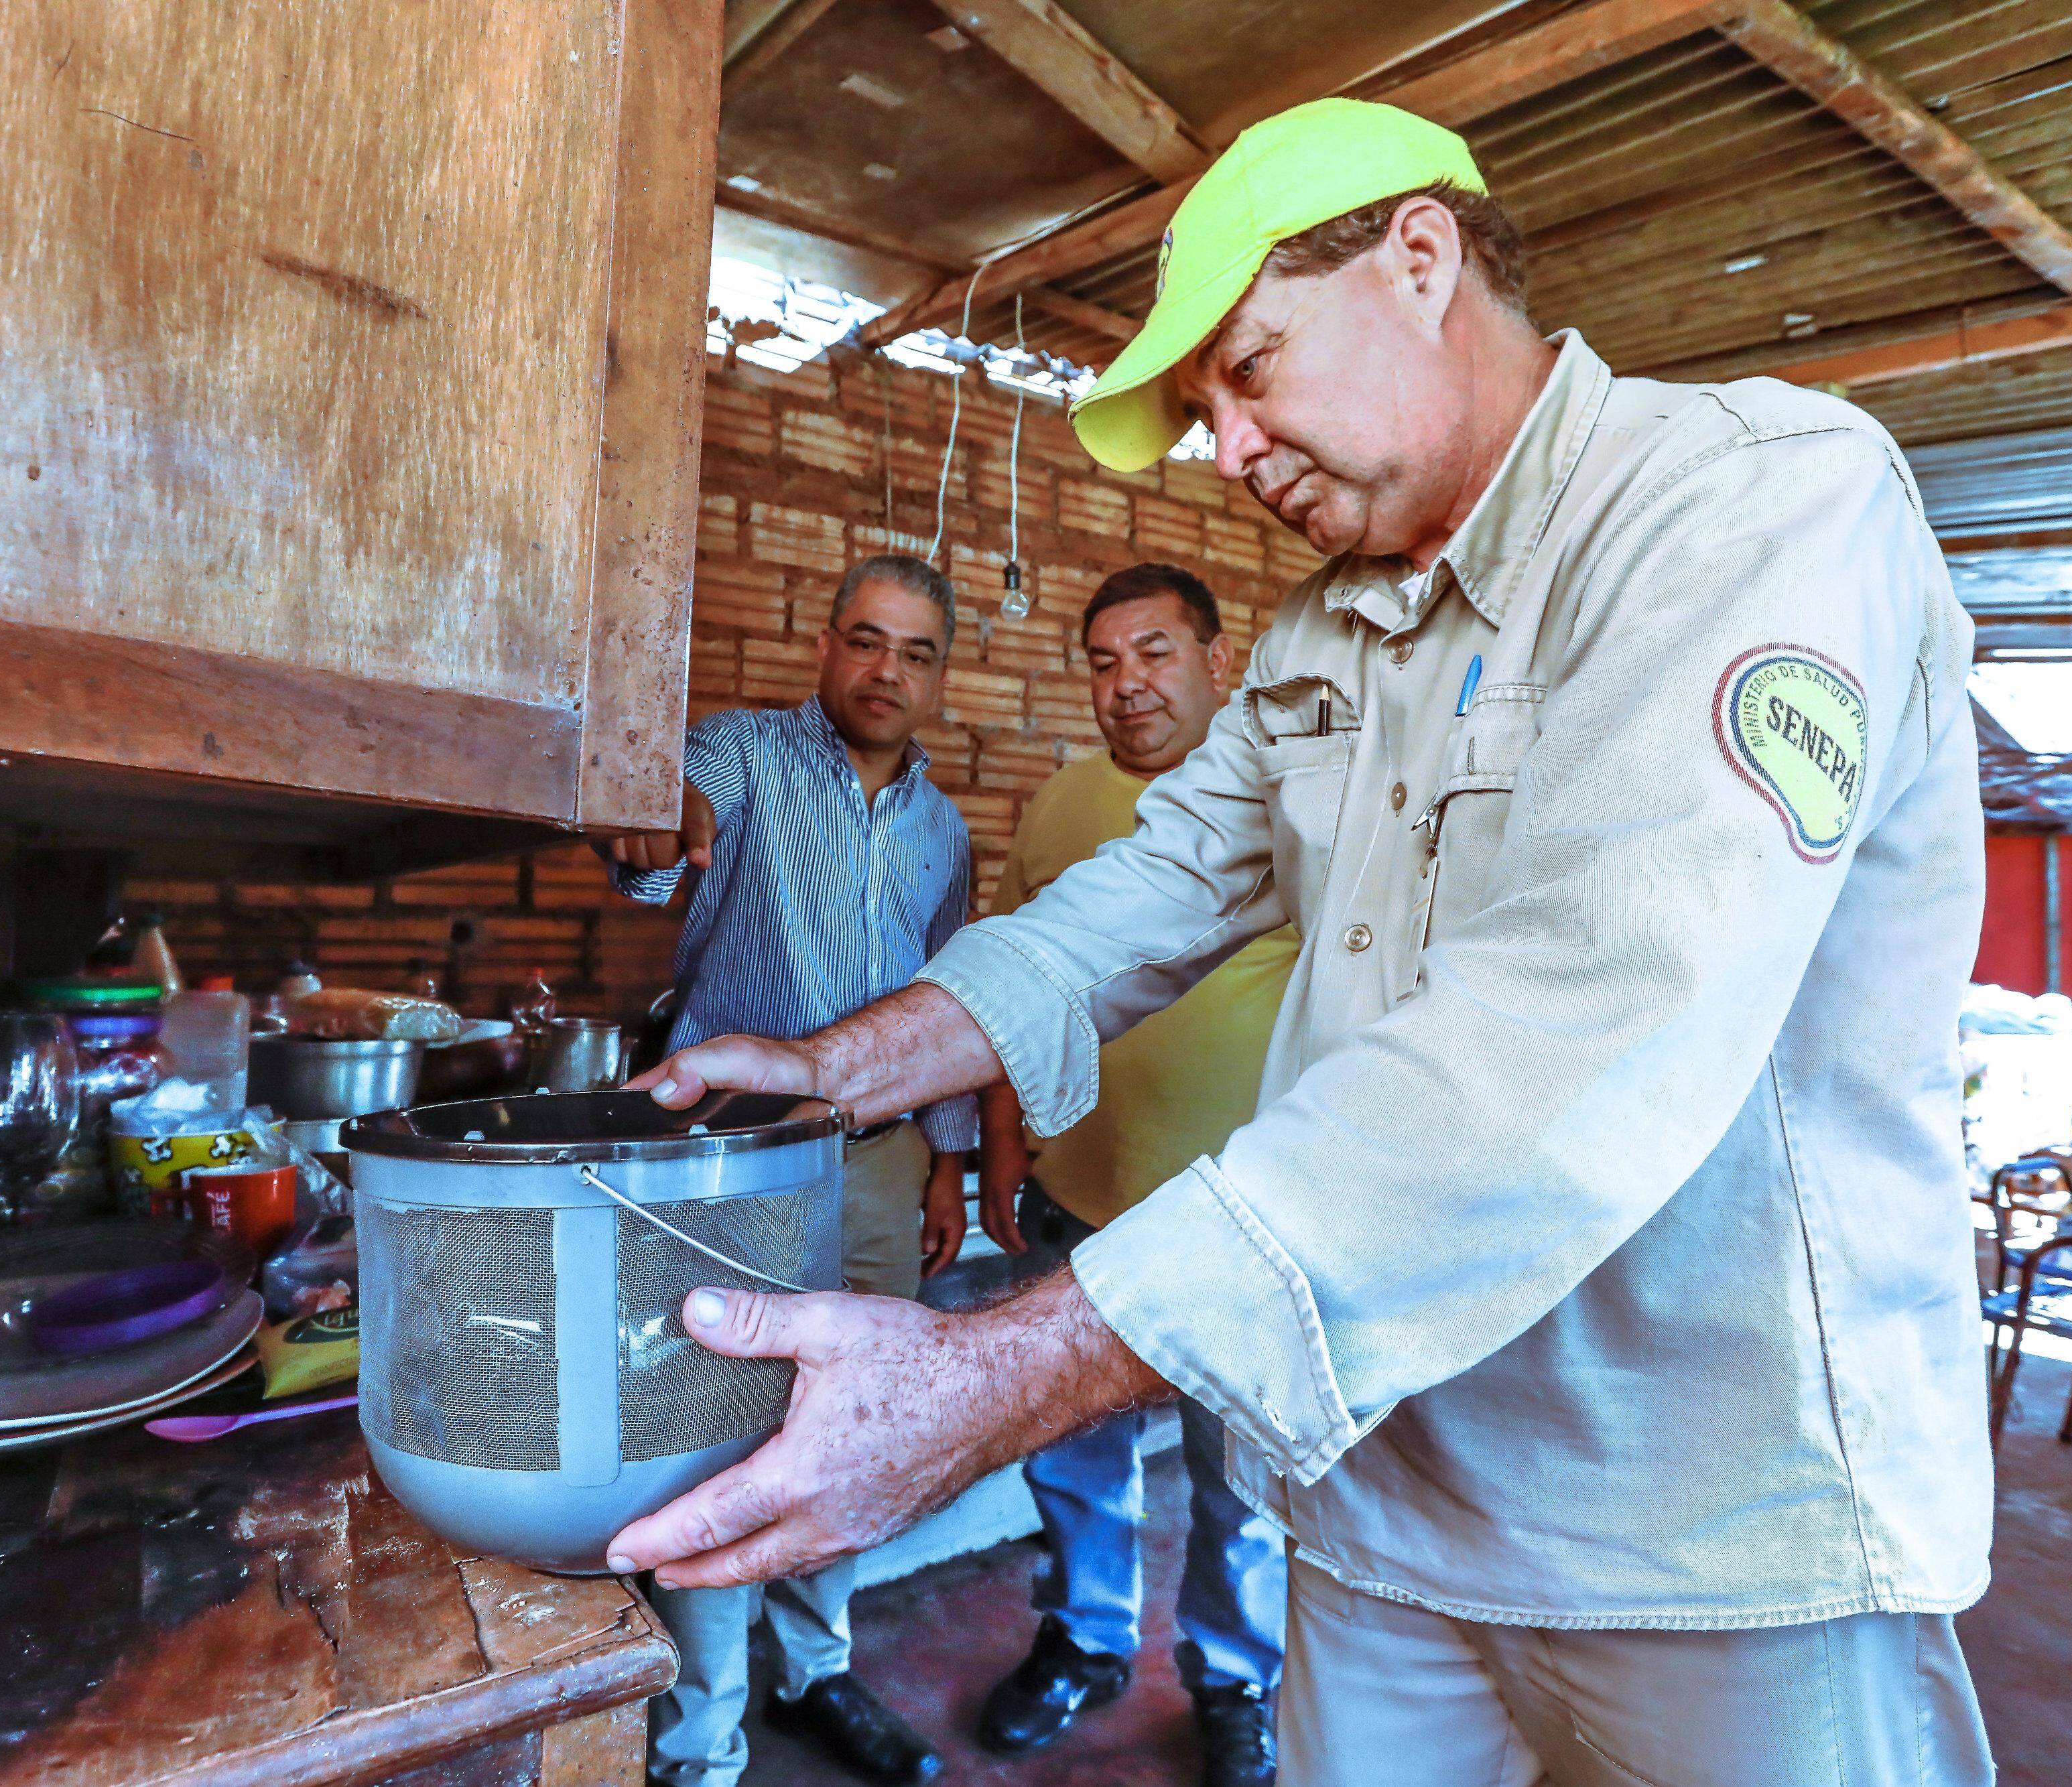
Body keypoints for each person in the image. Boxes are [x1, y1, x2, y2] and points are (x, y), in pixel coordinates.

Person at [610, 96, 1998, 1787]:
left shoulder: (1745, 507)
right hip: (1385, 1487)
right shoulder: (1319, 633)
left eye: (1249, 370)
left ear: (1418, 259)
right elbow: (1138, 895)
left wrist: (996, 1372)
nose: (1233, 449)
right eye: (1205, 415)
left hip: (1706, 1530)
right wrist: (834, 1064)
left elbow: (1578, 1030)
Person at [597, 552, 972, 1787]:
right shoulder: (742, 756)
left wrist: (948, 1166)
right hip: (734, 1166)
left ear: (939, 675)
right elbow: (665, 829)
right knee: (717, 1431)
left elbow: (952, 1003)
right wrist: (659, 820)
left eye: (916, 652)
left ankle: (817, 1669)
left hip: (879, 1163)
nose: (887, 670)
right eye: (867, 639)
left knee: (854, 1415)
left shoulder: (944, 829)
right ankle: (701, 1739)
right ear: (826, 644)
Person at [973, 562, 1293, 1786]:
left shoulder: (1294, 806)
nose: (1128, 686)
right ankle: (1087, 1640)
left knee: (1240, 1481)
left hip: (1242, 1222)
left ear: (1221, 661)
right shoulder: (1060, 807)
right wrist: (1003, 1142)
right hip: (1081, 1205)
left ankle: (1233, 1677)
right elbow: (1009, 987)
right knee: (1073, 1451)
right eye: (1104, 662)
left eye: (1155, 653)